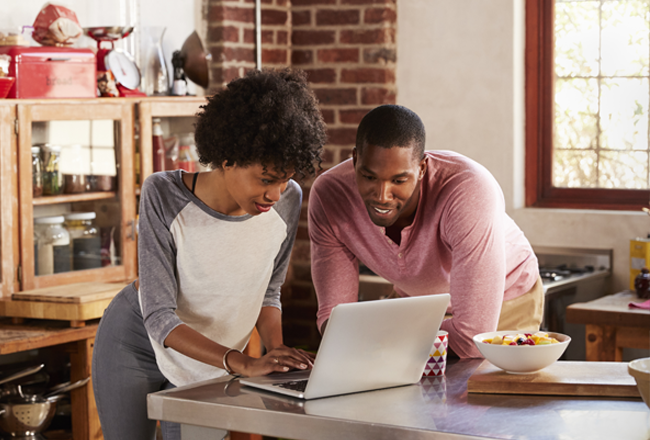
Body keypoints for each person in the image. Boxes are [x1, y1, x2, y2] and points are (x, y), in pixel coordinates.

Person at [92, 68, 326, 440]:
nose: (275, 194)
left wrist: (277, 350)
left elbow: (267, 291)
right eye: (266, 179)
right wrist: (242, 362)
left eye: (285, 179)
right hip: (135, 344)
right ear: (228, 158)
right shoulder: (163, 195)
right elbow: (158, 316)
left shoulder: (287, 201)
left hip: (213, 359)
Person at [308, 104, 542, 358]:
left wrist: (379, 337)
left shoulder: (468, 190)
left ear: (421, 169)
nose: (382, 196)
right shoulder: (330, 196)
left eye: (398, 180)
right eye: (369, 177)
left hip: (505, 302)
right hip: (420, 305)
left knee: (485, 392)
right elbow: (334, 318)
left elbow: (472, 337)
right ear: (355, 160)